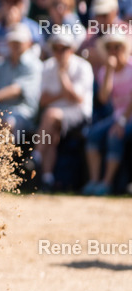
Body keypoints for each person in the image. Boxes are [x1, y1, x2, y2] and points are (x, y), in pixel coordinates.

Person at [34, 31, 93, 192]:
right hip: (54, 118)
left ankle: (36, 156)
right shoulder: (47, 67)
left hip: (79, 114)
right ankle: (47, 179)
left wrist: (61, 74)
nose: (59, 53)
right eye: (56, 48)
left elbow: (77, 98)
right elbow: (42, 100)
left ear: (72, 49)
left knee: (51, 114)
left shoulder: (83, 67)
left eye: (64, 48)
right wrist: (63, 94)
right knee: (52, 132)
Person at [83, 33, 132, 196]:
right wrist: (110, 70)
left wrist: (123, 121)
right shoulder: (105, 71)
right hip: (118, 118)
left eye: (117, 47)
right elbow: (104, 98)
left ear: (124, 48)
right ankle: (94, 181)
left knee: (114, 135)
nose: (113, 51)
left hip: (126, 118)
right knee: (94, 135)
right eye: (109, 48)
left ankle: (107, 183)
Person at [0, 26, 42, 140]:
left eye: (19, 42)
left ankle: (1, 157)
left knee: (8, 123)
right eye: (13, 42)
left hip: (22, 112)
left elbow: (16, 90)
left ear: (28, 43)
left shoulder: (34, 65)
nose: (15, 45)